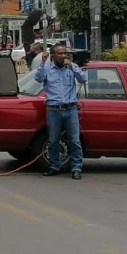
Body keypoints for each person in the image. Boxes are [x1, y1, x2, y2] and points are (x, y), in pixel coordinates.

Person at [35, 45, 88, 180]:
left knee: (74, 140)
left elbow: (83, 79)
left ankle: (76, 168)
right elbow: (38, 78)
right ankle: (55, 166)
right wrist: (42, 62)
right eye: (60, 53)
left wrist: (73, 67)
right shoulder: (47, 68)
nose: (63, 56)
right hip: (54, 109)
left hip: (70, 109)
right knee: (53, 140)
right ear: (53, 55)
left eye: (65, 53)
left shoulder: (71, 67)